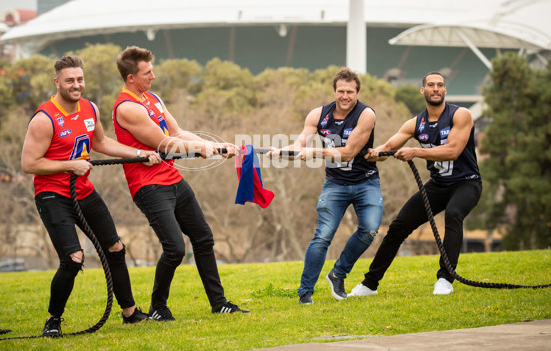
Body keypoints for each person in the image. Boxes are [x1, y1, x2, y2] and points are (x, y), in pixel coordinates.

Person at [21, 56, 162, 337]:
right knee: (73, 259)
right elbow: (29, 164)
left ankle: (130, 314)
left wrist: (139, 154)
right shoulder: (44, 118)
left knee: (116, 249)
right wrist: (68, 165)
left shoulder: (89, 108)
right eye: (70, 80)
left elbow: (101, 143)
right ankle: (53, 321)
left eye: (80, 79)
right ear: (57, 82)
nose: (76, 85)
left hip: (84, 192)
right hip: (53, 196)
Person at [112, 46, 249, 321]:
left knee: (203, 238)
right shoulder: (127, 108)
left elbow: (177, 132)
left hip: (172, 179)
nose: (153, 75)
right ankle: (158, 308)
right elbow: (164, 143)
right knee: (175, 248)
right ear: (130, 78)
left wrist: (213, 145)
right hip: (148, 186)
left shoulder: (152, 98)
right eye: (147, 72)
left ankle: (219, 303)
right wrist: (199, 150)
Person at [350, 71, 481, 297]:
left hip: (466, 183)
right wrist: (374, 153)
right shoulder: (416, 123)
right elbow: (389, 146)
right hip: (438, 185)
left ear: (445, 90)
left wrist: (416, 151)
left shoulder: (461, 115)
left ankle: (445, 279)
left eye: (440, 85)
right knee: (398, 226)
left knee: (453, 215)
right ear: (423, 90)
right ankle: (369, 284)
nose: (436, 89)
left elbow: (453, 151)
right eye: (431, 85)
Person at [267, 67, 383, 305]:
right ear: (334, 91)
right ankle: (305, 292)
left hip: (366, 182)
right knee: (322, 236)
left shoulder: (366, 115)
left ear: (357, 92)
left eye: (350, 92)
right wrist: (281, 152)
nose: (345, 96)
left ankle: (338, 273)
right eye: (341, 91)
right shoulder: (317, 115)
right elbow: (300, 144)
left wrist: (314, 152)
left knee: (370, 229)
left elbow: (349, 153)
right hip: (335, 184)